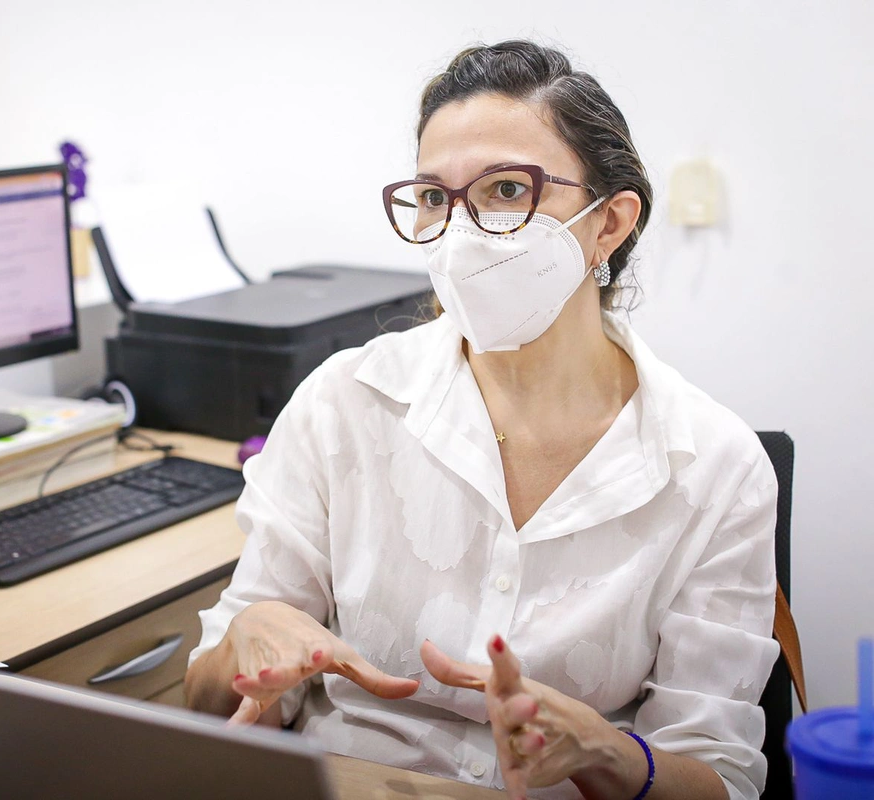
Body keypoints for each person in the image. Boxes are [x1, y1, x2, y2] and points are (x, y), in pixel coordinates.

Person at [184, 40, 779, 800]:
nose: (462, 232)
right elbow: (206, 703)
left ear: (609, 224)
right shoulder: (345, 405)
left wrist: (610, 754)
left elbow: (722, 777)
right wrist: (242, 648)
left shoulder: (714, 468)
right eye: (434, 198)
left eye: (506, 189)